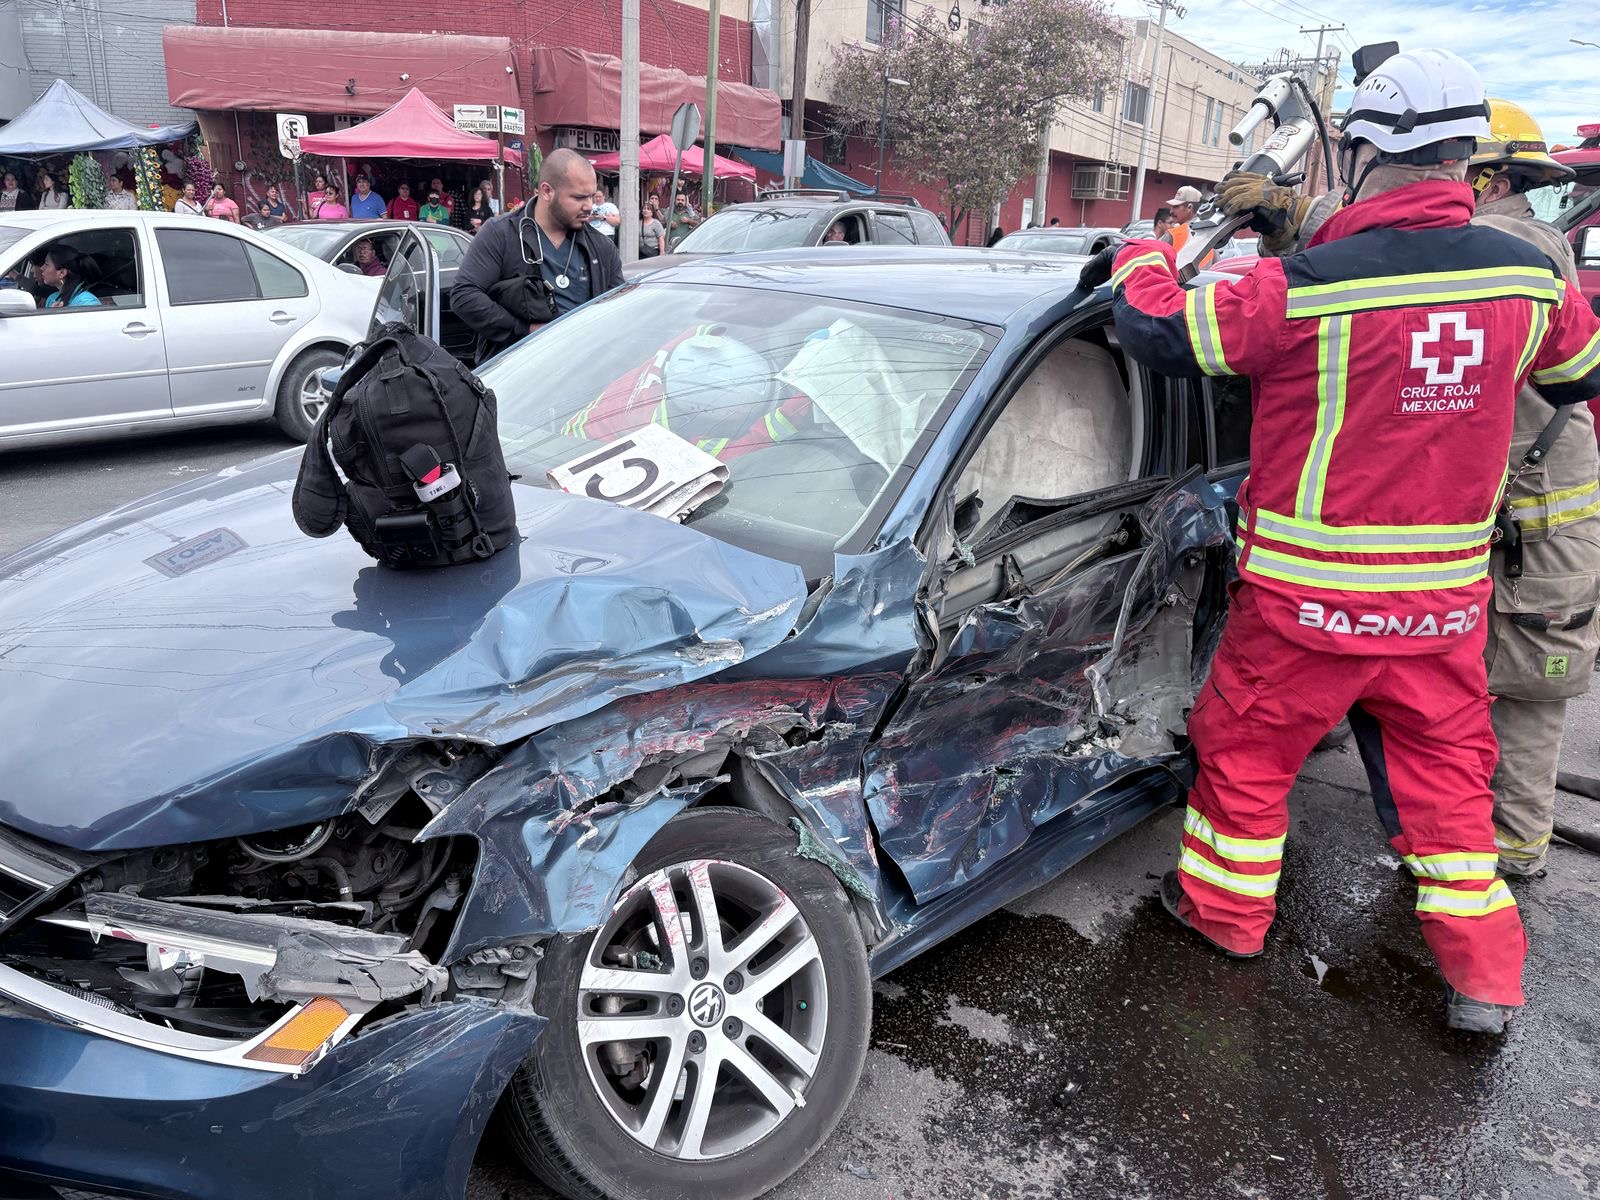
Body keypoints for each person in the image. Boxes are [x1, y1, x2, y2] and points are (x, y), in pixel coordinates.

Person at [1096, 47, 1600, 1034]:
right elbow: (1578, 375)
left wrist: (1145, 251)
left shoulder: (1302, 288)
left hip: (1303, 611)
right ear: (1464, 159)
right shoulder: (1531, 278)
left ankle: (1222, 921)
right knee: (1452, 798)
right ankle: (1486, 982)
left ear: (1364, 150)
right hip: (1441, 612)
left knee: (1243, 763)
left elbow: (1156, 331)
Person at [1217, 100, 1600, 881]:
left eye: (1456, 172)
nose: (1446, 185)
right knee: (1425, 689)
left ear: (1486, 178)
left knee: (1515, 691)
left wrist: (1307, 213)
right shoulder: (1489, 253)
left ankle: (1503, 857)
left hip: (1536, 522)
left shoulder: (1516, 249)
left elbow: (1396, 261)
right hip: (1461, 514)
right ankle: (1462, 868)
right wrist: (1303, 226)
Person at [451, 147, 625, 363]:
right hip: (516, 374)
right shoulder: (501, 233)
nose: (589, 206)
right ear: (546, 191)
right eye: (579, 197)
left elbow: (618, 313)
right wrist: (525, 329)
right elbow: (464, 296)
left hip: (581, 373)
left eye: (591, 196)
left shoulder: (601, 247)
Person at [1162, 185, 1201, 254]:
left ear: (1189, 207)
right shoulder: (1208, 234)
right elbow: (1218, 263)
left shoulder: (1173, 234)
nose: (1171, 211)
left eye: (1176, 206)